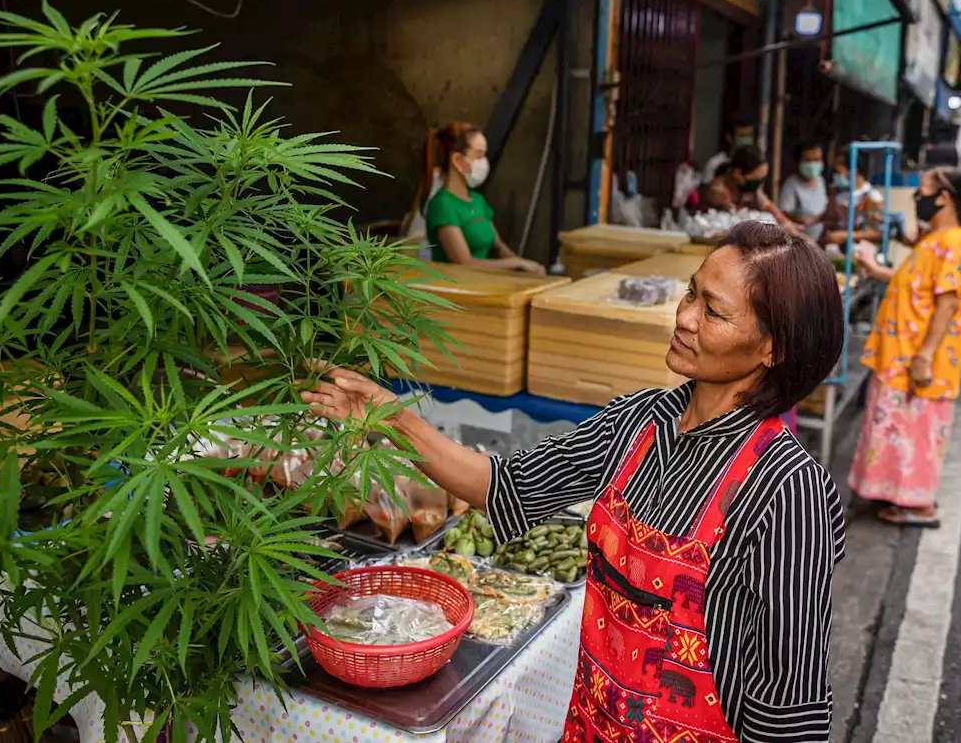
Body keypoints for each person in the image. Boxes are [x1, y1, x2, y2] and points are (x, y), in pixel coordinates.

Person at [302, 222, 848, 742]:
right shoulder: (636, 422)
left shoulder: (787, 489)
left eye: (714, 311)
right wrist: (392, 416)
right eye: (690, 294)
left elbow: (790, 708)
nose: (684, 317)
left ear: (773, 348)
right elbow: (503, 486)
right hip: (592, 724)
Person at [849, 168, 961, 527]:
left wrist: (924, 356)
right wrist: (875, 270)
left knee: (917, 431)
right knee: (897, 427)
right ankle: (893, 494)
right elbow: (918, 283)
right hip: (899, 353)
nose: (917, 199)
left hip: (919, 357)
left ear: (944, 198)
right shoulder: (937, 238)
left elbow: (949, 302)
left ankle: (919, 506)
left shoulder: (954, 241)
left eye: (923, 191)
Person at [421, 121, 544, 273]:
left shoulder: (477, 200)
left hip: (485, 283)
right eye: (479, 155)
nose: (484, 162)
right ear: (457, 160)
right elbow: (464, 263)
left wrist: (526, 267)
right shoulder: (442, 205)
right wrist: (516, 264)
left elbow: (498, 247)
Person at [823, 149, 884, 248]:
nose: (836, 176)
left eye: (838, 172)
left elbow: (879, 233)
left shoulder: (873, 197)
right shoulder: (837, 194)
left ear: (854, 171)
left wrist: (845, 235)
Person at [780, 142, 830, 239]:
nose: (812, 164)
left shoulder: (820, 180)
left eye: (816, 160)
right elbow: (784, 212)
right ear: (799, 162)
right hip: (800, 239)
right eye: (808, 160)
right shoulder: (791, 184)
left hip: (819, 238)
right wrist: (803, 219)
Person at [702, 119, 757, 184]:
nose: (746, 141)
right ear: (729, 138)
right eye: (742, 136)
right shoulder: (714, 164)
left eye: (749, 136)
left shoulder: (756, 163)